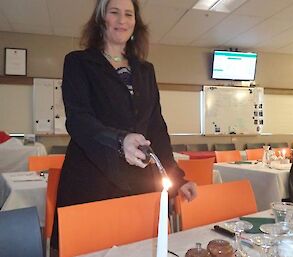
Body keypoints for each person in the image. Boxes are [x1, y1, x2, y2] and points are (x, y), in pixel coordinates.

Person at [51, 0, 197, 250]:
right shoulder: (79, 62)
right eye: (114, 12)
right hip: (91, 178)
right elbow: (78, 119)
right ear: (101, 19)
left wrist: (177, 178)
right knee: (91, 248)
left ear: (135, 23)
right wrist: (120, 140)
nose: (122, 20)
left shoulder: (145, 70)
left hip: (138, 181)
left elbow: (156, 128)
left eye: (128, 14)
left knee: (139, 248)